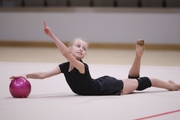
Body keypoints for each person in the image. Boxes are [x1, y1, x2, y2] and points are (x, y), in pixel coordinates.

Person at [10, 21, 180, 95]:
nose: (81, 50)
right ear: (70, 48)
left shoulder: (82, 67)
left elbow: (65, 54)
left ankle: (172, 87)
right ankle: (138, 56)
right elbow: (42, 75)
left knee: (143, 82)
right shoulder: (64, 67)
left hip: (108, 86)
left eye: (84, 49)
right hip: (103, 83)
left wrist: (52, 35)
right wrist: (26, 75)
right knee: (135, 81)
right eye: (78, 46)